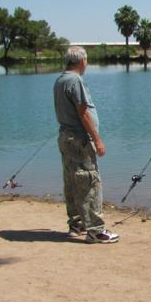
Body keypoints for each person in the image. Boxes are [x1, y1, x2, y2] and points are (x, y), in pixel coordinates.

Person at [53, 46, 119, 244]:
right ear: (81, 61)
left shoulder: (60, 80)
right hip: (79, 139)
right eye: (86, 60)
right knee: (90, 182)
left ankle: (76, 224)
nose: (87, 64)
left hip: (66, 137)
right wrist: (97, 139)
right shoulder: (75, 80)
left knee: (73, 181)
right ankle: (95, 231)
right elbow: (83, 112)